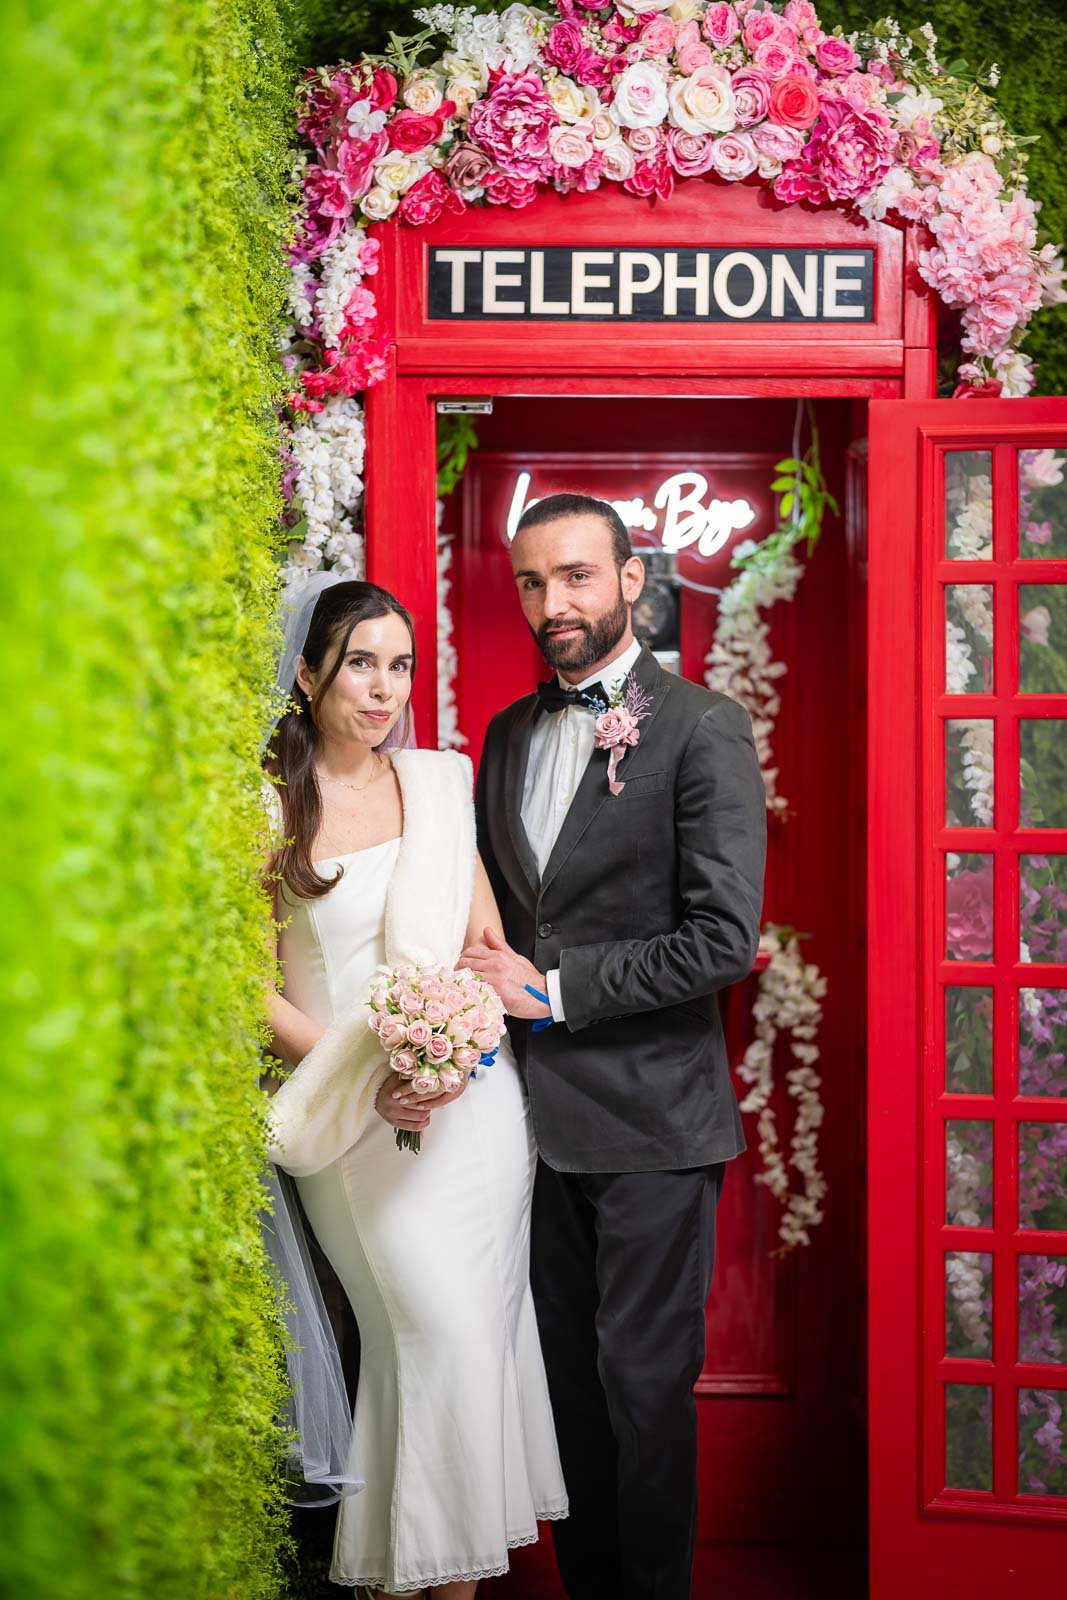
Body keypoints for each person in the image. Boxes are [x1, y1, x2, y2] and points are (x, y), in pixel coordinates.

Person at [465, 493, 767, 1600]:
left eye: (577, 576)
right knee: (566, 1396)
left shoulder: (698, 725)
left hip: (650, 1127)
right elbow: (495, 918)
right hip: (525, 1132)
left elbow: (720, 940)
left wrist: (557, 991)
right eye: (533, 582)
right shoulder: (503, 736)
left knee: (640, 1389)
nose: (554, 603)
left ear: (630, 579)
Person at [262, 575, 567, 1598]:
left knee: (471, 1347)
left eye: (399, 664)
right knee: (428, 1337)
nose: (384, 686)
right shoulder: (256, 804)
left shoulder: (439, 781)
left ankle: (440, 1584)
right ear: (306, 674)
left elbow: (484, 945)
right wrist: (368, 1072)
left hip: (471, 1115)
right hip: (351, 1121)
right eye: (359, 662)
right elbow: (245, 989)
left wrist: (451, 1051)